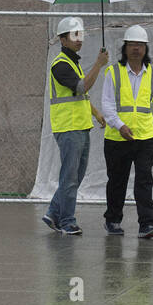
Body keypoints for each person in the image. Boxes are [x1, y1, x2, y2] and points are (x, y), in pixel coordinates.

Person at [44, 16, 108, 235]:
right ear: (63, 40)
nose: (78, 39)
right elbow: (81, 88)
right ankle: (67, 221)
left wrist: (96, 113)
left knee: (76, 175)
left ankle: (53, 212)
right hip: (68, 128)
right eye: (73, 35)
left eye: (80, 34)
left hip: (80, 126)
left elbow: (80, 97)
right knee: (70, 176)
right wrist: (99, 65)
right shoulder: (60, 65)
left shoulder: (73, 63)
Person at [99, 25, 153, 238]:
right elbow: (107, 105)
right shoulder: (113, 72)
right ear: (125, 48)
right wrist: (119, 125)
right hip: (118, 138)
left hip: (145, 137)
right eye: (132, 44)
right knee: (117, 180)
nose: (136, 48)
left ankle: (147, 224)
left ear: (146, 48)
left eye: (140, 45)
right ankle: (113, 220)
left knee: (144, 181)